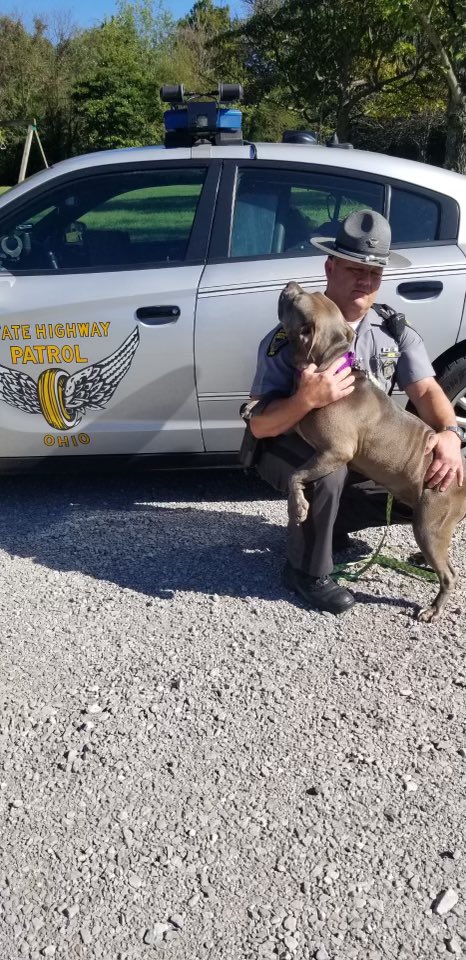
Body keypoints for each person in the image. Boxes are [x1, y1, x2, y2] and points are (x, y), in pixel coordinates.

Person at [242, 209, 465, 615]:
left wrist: (451, 432)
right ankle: (307, 572)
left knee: (424, 484)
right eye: (353, 269)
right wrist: (305, 400)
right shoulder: (288, 336)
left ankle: (329, 528)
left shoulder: (392, 330)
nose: (365, 280)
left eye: (374, 273)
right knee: (330, 470)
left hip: (355, 443)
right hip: (287, 442)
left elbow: (427, 388)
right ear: (330, 266)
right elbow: (259, 425)